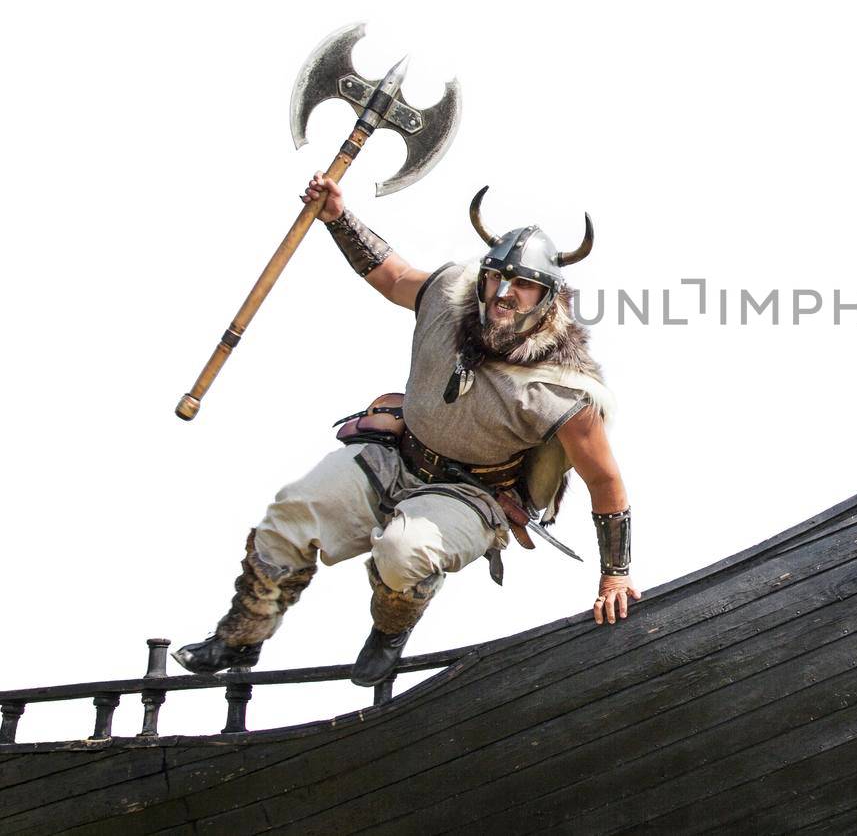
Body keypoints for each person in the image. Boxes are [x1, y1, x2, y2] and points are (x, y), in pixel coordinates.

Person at [174, 174, 640, 687]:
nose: (504, 294)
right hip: (396, 454)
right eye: (496, 278)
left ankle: (389, 631)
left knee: (403, 553)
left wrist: (614, 572)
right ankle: (240, 636)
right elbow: (393, 276)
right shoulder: (449, 294)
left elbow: (606, 483)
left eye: (523, 284)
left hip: (471, 492)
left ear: (548, 297)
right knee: (292, 512)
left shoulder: (564, 392)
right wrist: (337, 217)